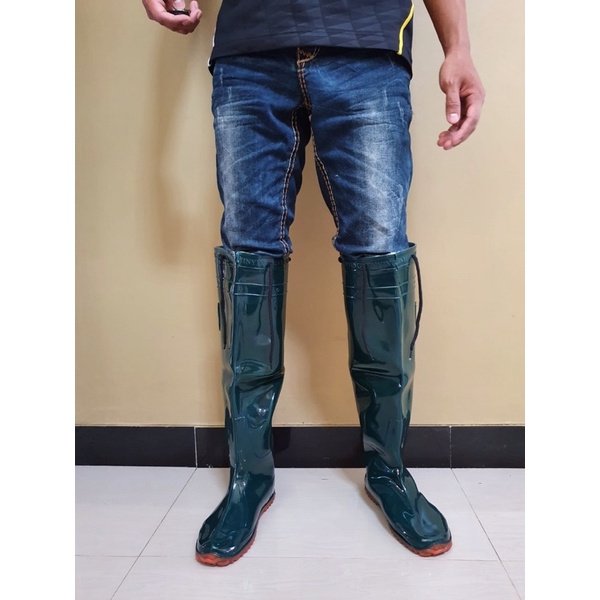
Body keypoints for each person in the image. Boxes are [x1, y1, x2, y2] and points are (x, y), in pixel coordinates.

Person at [142, 0, 485, 567]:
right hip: (250, 52)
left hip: (367, 49)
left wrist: (459, 47)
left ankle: (389, 470)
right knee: (249, 255)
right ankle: (250, 476)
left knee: (380, 254)